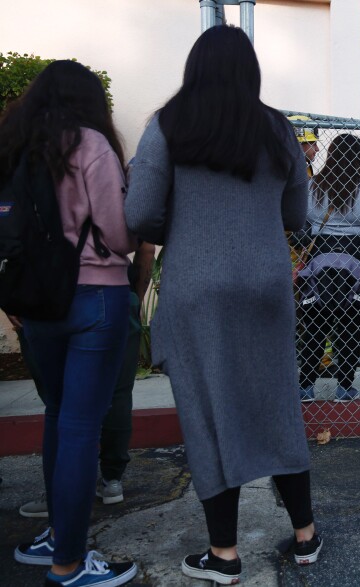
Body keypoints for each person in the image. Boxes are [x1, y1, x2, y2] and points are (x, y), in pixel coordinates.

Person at [124, 25, 322, 584]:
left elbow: (139, 213)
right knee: (276, 402)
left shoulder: (167, 125)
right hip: (265, 285)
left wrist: (183, 223)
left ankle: (224, 555)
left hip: (197, 287)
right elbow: (296, 216)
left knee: (209, 411)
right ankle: (306, 535)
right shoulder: (278, 128)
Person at [2, 60, 138, 586]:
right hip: (93, 299)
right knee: (82, 427)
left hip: (35, 301)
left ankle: (55, 538)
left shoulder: (14, 144)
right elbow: (118, 234)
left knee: (58, 417)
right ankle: (69, 565)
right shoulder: (91, 146)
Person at [14, 240, 155, 518]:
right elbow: (146, 243)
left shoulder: (32, 193)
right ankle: (112, 480)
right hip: (109, 288)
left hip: (42, 292)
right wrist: (135, 296)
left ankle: (60, 495)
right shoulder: (111, 193)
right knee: (116, 390)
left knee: (58, 402)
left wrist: (12, 294)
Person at [297, 133, 360, 401]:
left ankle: (305, 386)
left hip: (321, 259)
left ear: (331, 155)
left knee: (316, 325)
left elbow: (299, 221)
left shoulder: (314, 185)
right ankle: (344, 387)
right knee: (350, 326)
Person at [286, 115, 335, 374]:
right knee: (292, 304)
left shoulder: (305, 169)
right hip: (287, 247)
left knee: (313, 302)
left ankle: (319, 361)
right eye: (312, 143)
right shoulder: (284, 167)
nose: (317, 149)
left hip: (304, 247)